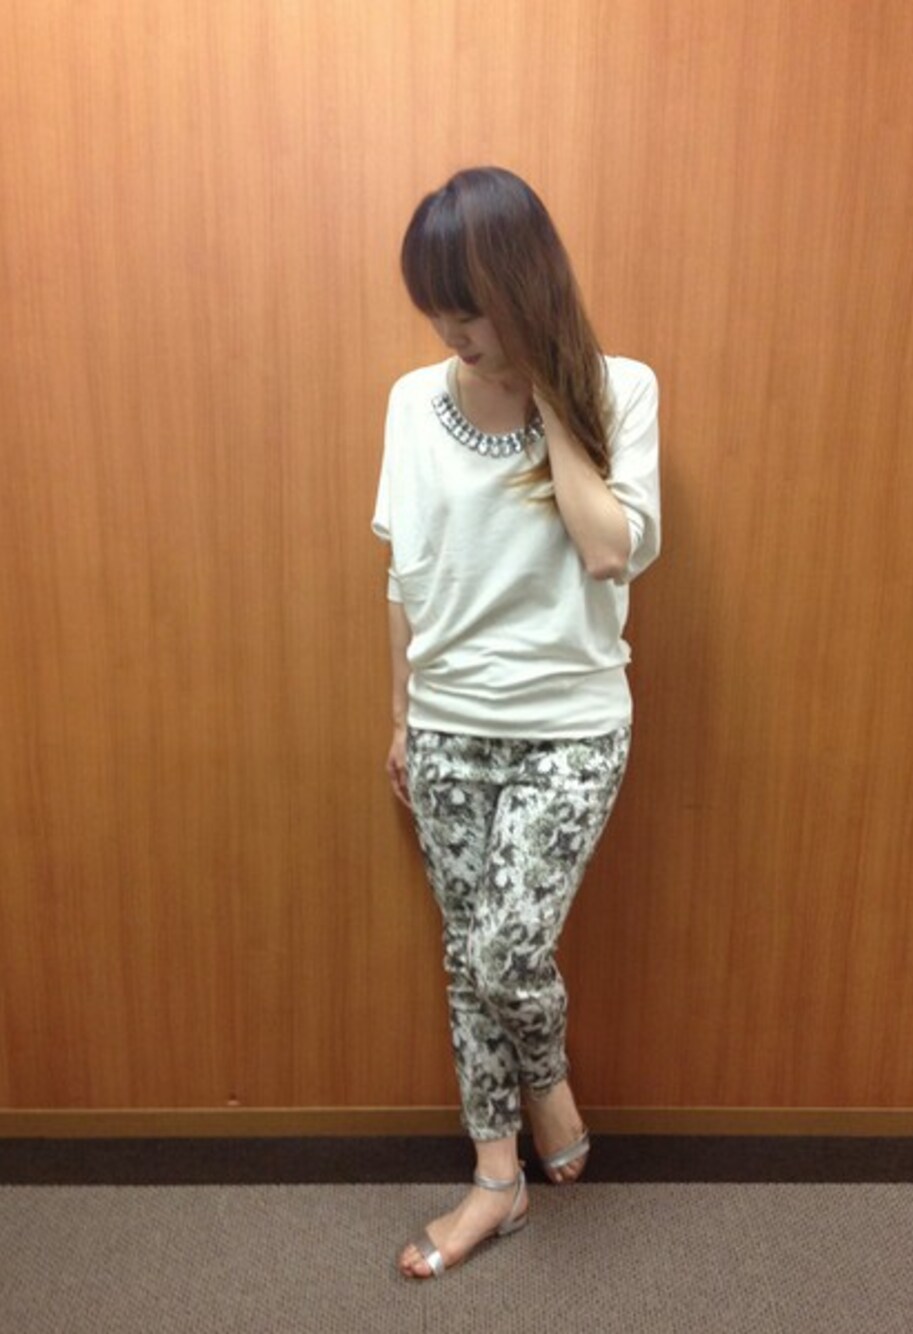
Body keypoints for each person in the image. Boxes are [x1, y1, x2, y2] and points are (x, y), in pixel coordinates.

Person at [371, 166, 661, 1279]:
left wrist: (548, 388)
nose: (453, 334)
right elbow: (403, 573)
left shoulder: (618, 390)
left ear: (525, 289)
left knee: (504, 947)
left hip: (571, 726)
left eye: (472, 309)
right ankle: (497, 1181)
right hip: (448, 724)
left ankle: (546, 1080)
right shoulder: (412, 402)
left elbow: (608, 548)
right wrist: (402, 715)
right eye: (436, 312)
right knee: (467, 957)